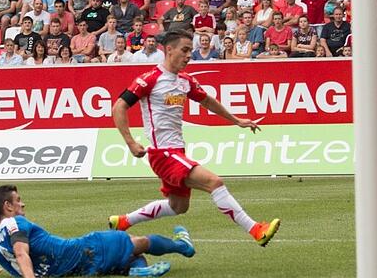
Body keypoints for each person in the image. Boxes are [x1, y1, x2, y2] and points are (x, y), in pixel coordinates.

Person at [108, 31, 281, 246]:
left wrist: (236, 120)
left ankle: (123, 221)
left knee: (178, 206)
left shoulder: (185, 81)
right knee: (214, 182)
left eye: (191, 50)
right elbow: (119, 107)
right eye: (185, 50)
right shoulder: (149, 79)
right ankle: (256, 230)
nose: (189, 55)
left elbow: (207, 101)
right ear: (168, 50)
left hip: (177, 152)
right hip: (163, 153)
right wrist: (131, 142)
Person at [0, 185, 194, 278]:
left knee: (129, 257)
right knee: (139, 242)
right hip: (81, 250)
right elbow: (20, 253)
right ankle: (183, 245)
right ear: (8, 207)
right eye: (18, 201)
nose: (23, 204)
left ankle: (137, 272)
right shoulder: (15, 223)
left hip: (69, 271)